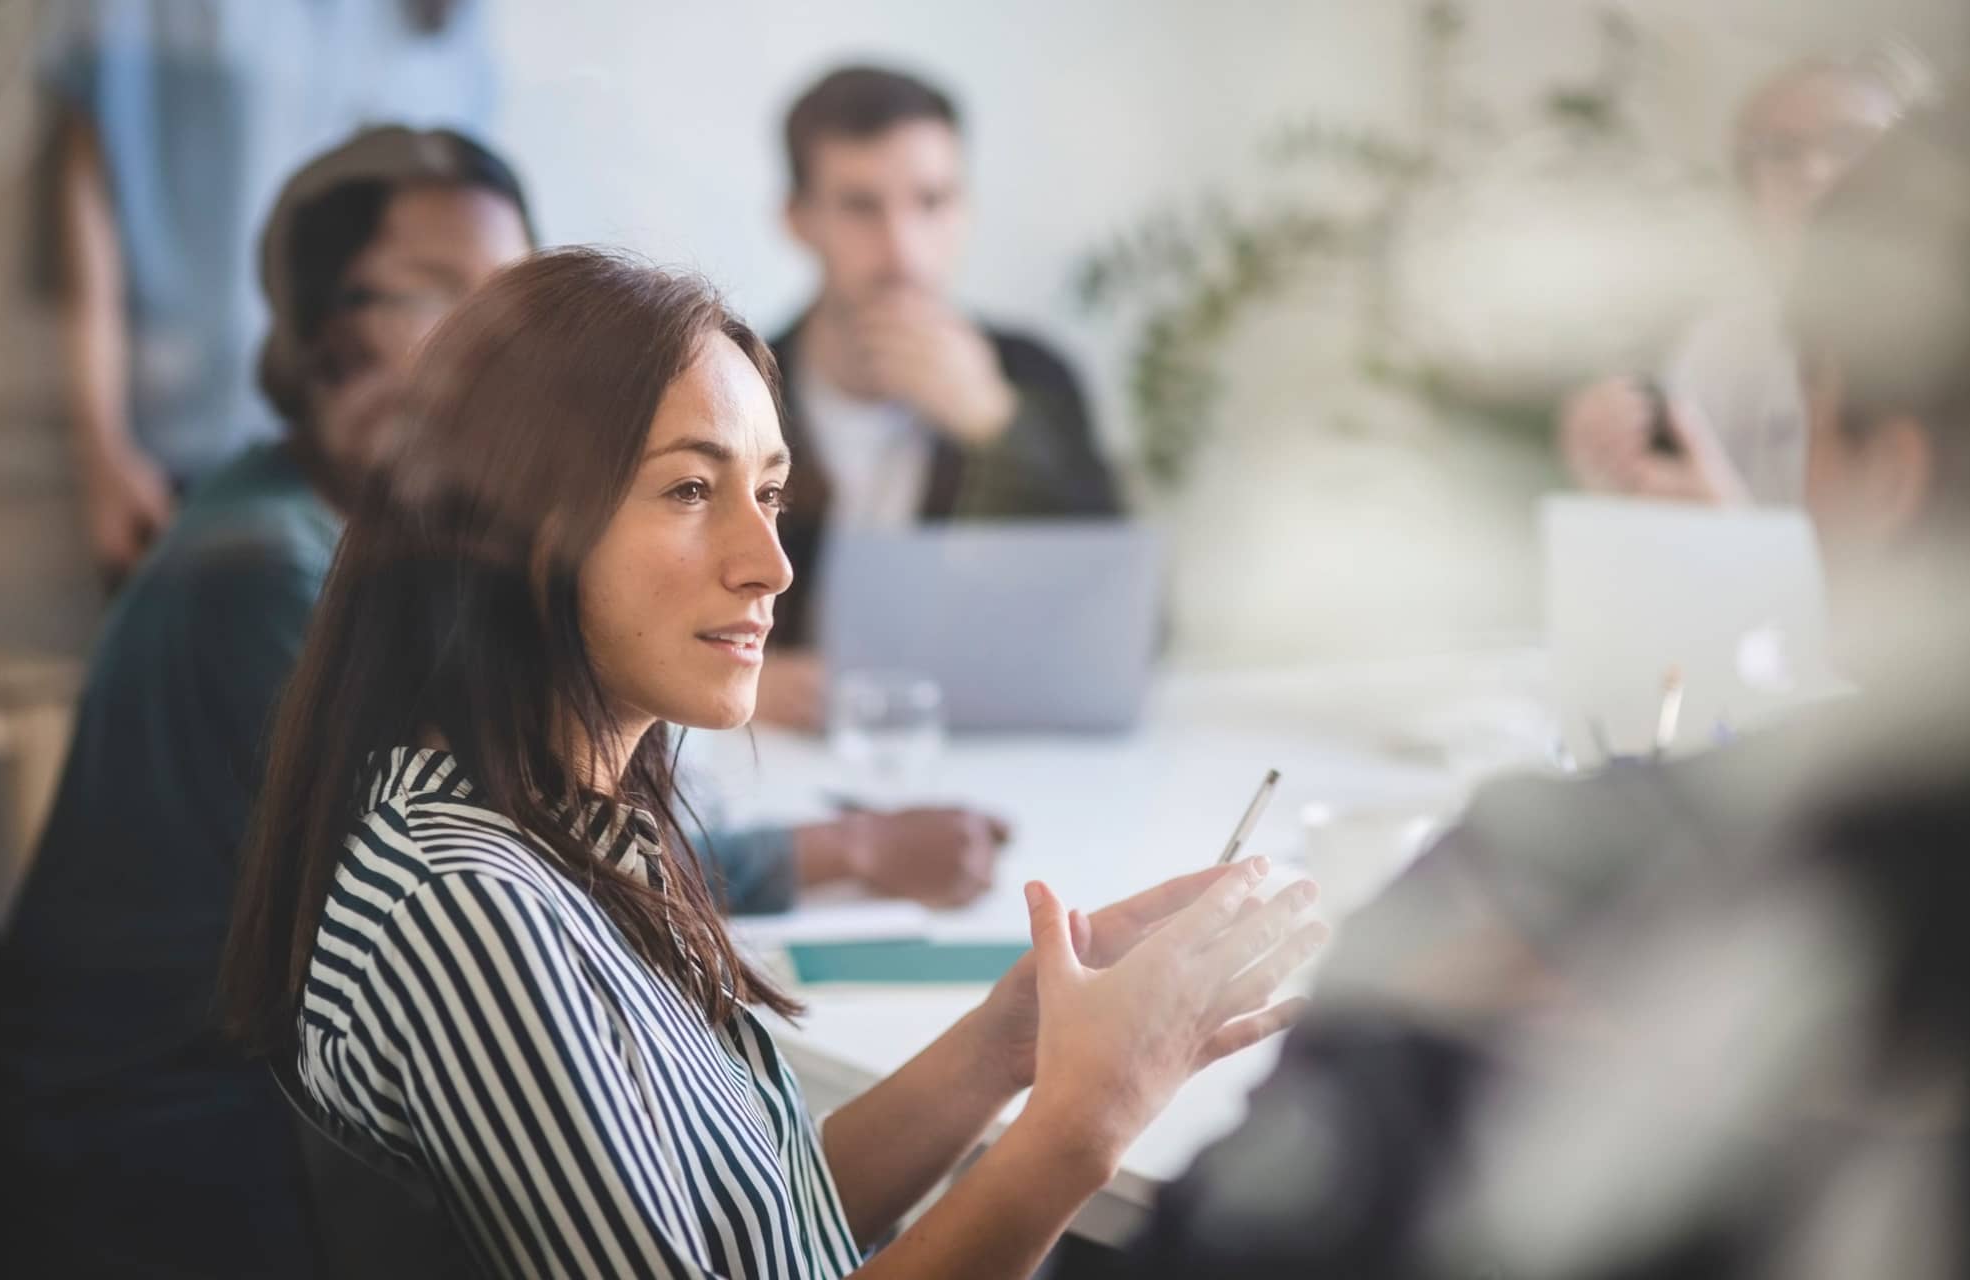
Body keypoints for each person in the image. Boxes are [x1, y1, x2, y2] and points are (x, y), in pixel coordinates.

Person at [218, 247, 1330, 1279]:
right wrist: (1086, 1123)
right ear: (517, 528)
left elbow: (755, 1224)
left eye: (770, 493)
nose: (771, 564)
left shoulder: (567, 825)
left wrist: (1008, 1041)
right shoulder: (473, 906)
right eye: (691, 490)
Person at [1127, 89, 1970, 1278]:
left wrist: (1726, 573)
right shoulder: (1701, 349)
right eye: (1777, 151)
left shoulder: (1625, 890)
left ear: (1890, 468)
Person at [0, 125, 535, 1277]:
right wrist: (824, 849)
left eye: (515, 301)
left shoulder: (343, 522)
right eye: (435, 299)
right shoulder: (266, 565)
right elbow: (484, 853)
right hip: (166, 1144)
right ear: (325, 331)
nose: (492, 348)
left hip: (278, 1105)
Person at [36, 0, 496, 585]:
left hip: (371, 473)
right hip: (181, 445)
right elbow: (88, 191)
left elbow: (467, 232)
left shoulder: (448, 31)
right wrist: (102, 449)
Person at [760, 65, 1122, 725]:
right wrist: (741, 682)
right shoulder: (741, 387)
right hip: (777, 766)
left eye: (931, 202)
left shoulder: (1031, 376)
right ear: (799, 219)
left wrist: (998, 427)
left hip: (1001, 758)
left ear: (966, 209)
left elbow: (1119, 612)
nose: (902, 251)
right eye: (861, 207)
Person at [1557, 54, 1904, 507]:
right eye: (1781, 151)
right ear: (1748, 203)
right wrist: (1624, 465)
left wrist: (1732, 532)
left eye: (1849, 142)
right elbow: (1680, 498)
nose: (1816, 172)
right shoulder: (1728, 344)